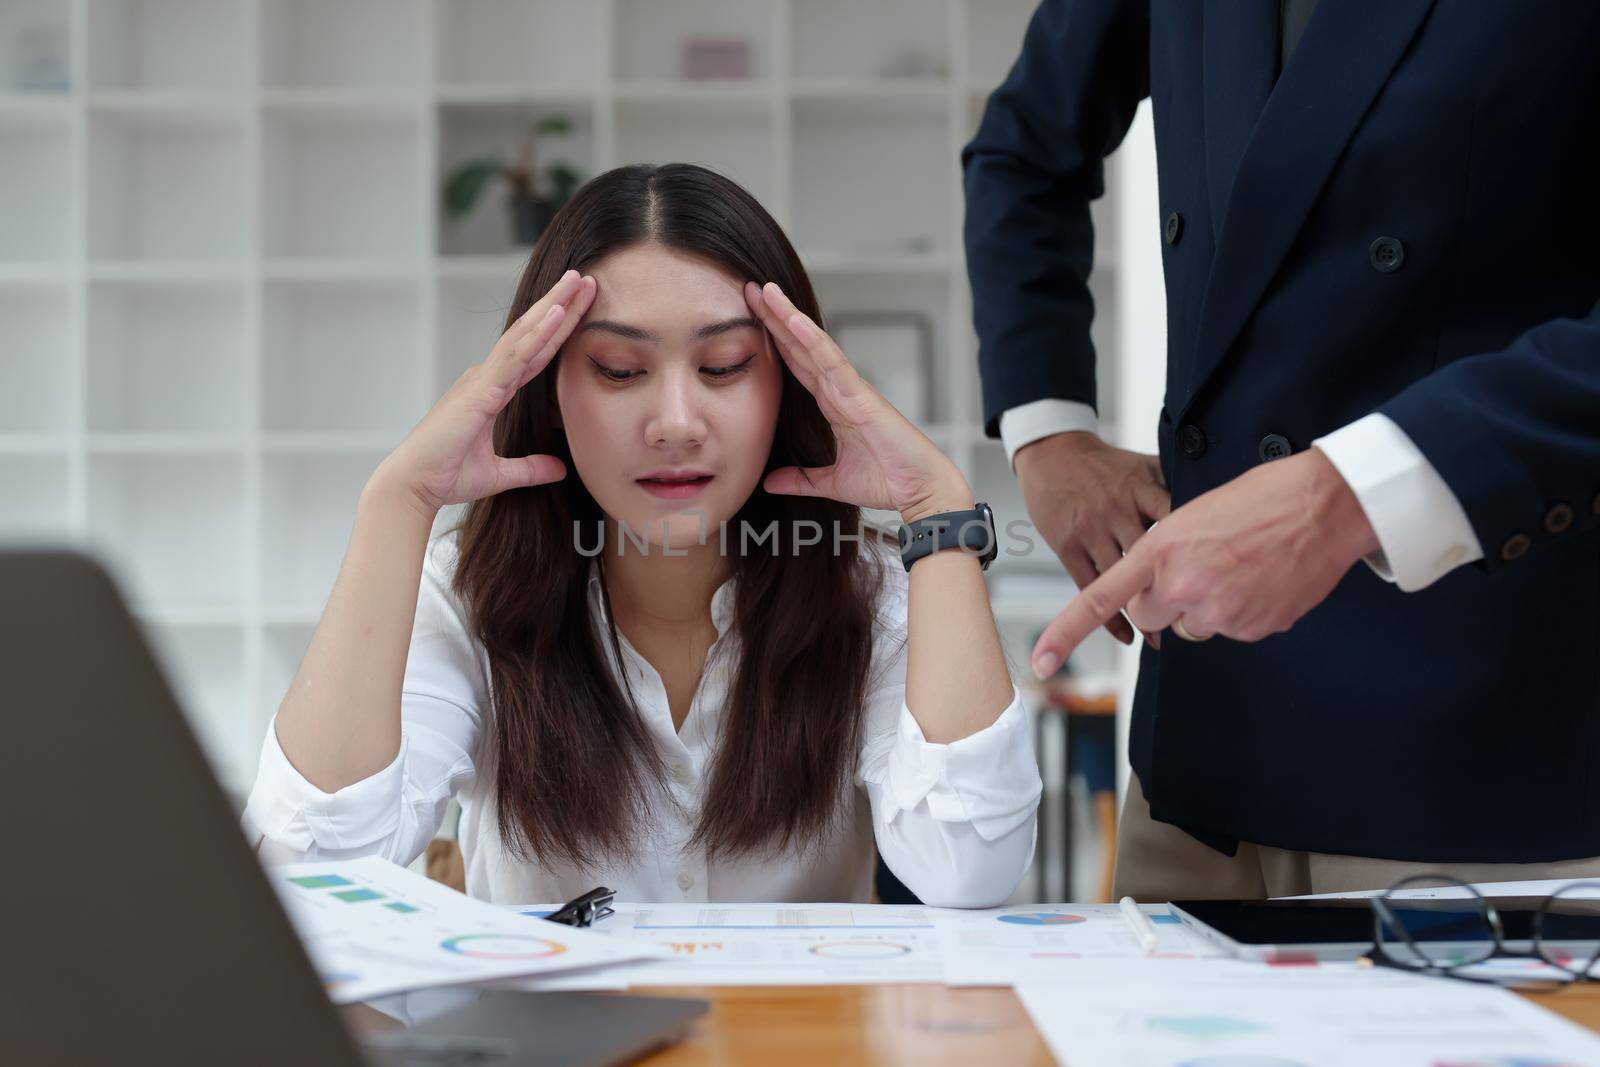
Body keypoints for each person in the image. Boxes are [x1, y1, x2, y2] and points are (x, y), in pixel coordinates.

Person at [243, 163, 1041, 909]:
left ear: (790, 384)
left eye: (724, 365)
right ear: (546, 385)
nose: (675, 424)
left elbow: (971, 869)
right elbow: (314, 875)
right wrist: (397, 502)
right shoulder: (468, 595)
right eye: (621, 370)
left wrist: (938, 505)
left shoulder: (868, 592)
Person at [964, 1, 1600, 900]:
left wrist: (1350, 495)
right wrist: (1049, 433)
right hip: (1196, 761)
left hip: (1476, 763)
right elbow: (1024, 147)